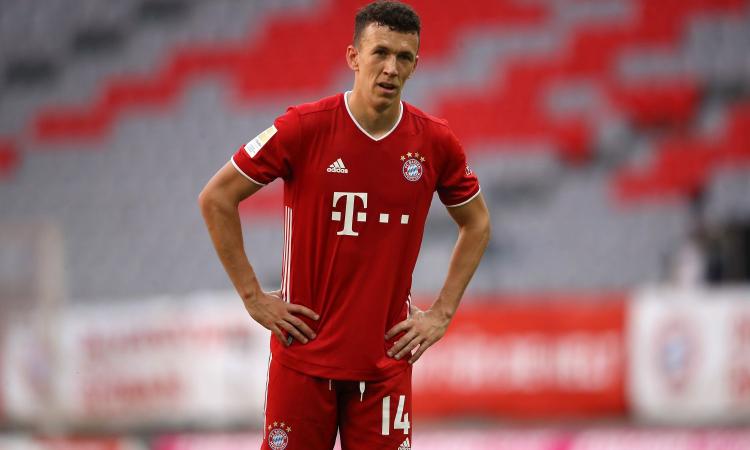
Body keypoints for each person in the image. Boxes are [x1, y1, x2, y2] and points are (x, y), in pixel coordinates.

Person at [198, 1, 490, 449]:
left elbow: (477, 223)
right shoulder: (304, 127)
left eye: (404, 57)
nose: (391, 68)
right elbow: (217, 197)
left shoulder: (435, 142)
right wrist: (253, 297)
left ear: (416, 65)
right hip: (303, 361)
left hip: (385, 365)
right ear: (354, 56)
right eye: (380, 53)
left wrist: (442, 313)